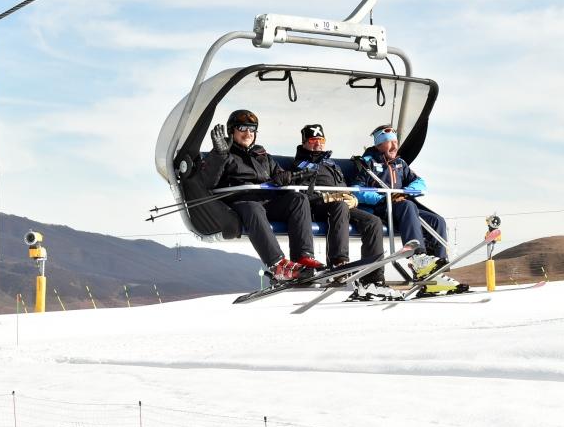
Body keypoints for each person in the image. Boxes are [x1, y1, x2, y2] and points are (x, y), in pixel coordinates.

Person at [196, 109, 323, 281]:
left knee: (298, 199)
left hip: (267, 200)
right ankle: (277, 264)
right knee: (252, 207)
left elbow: (280, 174)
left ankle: (303, 256)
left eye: (252, 129)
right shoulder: (223, 152)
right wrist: (220, 154)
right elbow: (208, 181)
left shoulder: (262, 155)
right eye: (242, 128)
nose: (248, 133)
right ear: (232, 130)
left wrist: (283, 177)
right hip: (241, 202)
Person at [353, 125, 461, 292]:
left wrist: (406, 192)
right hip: (382, 208)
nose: (395, 146)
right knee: (407, 205)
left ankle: (435, 270)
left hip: (403, 207)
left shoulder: (400, 164)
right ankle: (418, 257)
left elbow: (420, 182)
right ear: (378, 145)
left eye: (396, 142)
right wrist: (385, 197)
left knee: (436, 220)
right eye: (389, 143)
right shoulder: (367, 163)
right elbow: (357, 190)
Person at [292, 124, 385, 286]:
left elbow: (345, 188)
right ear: (305, 142)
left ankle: (373, 275)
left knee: (373, 221)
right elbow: (302, 195)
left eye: (321, 140)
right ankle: (338, 262)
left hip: (341, 205)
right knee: (340, 206)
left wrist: (353, 199)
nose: (318, 143)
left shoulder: (331, 164)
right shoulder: (301, 164)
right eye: (314, 140)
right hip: (319, 207)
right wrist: (328, 197)